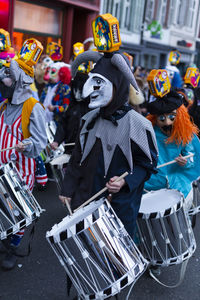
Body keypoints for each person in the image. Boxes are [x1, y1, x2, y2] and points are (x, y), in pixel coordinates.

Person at [59, 50, 158, 239]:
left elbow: (148, 166)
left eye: (98, 83)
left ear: (118, 85)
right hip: (85, 200)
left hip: (118, 208)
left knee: (116, 264)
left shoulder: (138, 124)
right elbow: (78, 157)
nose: (89, 91)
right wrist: (68, 187)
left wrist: (125, 181)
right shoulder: (89, 119)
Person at [0, 38, 47, 270]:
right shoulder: (3, 106)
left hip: (21, 173)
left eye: (8, 78)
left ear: (19, 82)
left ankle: (12, 247)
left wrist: (25, 145)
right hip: (2, 171)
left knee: (18, 212)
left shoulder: (33, 107)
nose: (3, 81)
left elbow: (41, 142)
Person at [144, 88, 200, 202]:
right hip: (151, 185)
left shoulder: (184, 134)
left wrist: (185, 162)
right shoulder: (149, 133)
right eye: (161, 118)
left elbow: (192, 156)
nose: (167, 123)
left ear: (179, 117)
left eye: (172, 117)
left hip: (178, 183)